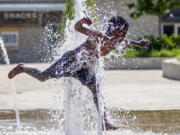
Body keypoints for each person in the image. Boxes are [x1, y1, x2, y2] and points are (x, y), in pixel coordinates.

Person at [8, 16, 149, 130]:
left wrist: (138, 43)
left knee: (96, 90)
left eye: (125, 33)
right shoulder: (98, 36)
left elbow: (127, 42)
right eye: (121, 33)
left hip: (83, 69)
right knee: (42, 77)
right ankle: (22, 68)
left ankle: (104, 121)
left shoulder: (117, 41)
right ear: (113, 30)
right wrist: (82, 21)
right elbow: (77, 28)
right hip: (69, 62)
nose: (123, 36)